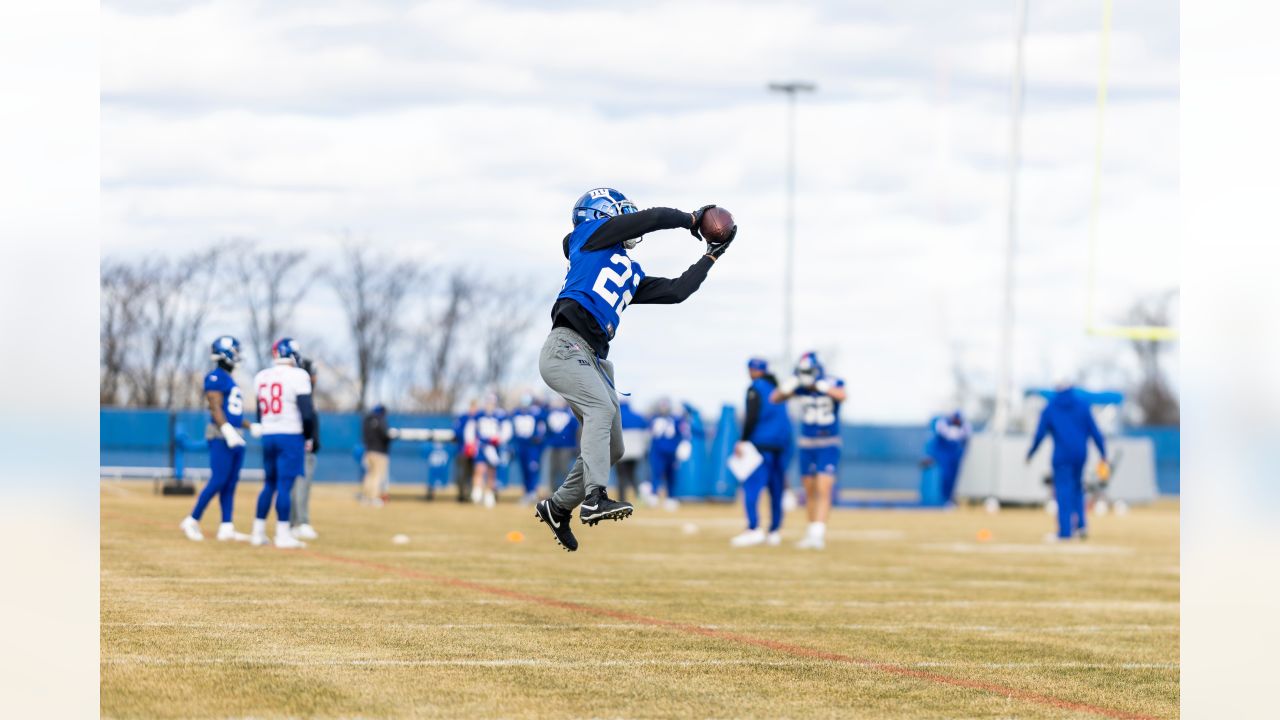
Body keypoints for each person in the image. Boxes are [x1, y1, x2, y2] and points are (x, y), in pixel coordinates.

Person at [534, 188, 734, 551]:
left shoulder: (626, 268)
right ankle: (595, 497)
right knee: (602, 408)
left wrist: (711, 256)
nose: (627, 220)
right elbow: (651, 219)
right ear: (598, 217)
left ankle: (559, 506)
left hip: (593, 358)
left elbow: (676, 291)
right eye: (619, 214)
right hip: (566, 346)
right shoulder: (588, 238)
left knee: (613, 448)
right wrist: (691, 218)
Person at [180, 336, 260, 542]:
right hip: (221, 436)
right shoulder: (215, 377)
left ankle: (226, 526)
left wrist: (251, 426)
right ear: (225, 353)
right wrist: (225, 428)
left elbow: (232, 413)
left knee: (230, 482)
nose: (237, 356)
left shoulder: (229, 378)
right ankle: (192, 519)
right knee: (219, 479)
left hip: (234, 434)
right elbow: (215, 407)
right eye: (235, 351)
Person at [772, 351, 847, 550]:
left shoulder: (832, 382)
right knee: (810, 490)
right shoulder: (800, 387)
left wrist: (824, 386)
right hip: (807, 444)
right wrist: (788, 386)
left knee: (824, 488)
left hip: (828, 442)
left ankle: (818, 534)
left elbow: (842, 395)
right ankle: (811, 531)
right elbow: (775, 398)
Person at [250, 337, 315, 549]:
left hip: (269, 434)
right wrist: (308, 436)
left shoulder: (262, 376)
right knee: (284, 486)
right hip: (290, 434)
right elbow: (307, 412)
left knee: (269, 484)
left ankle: (258, 532)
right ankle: (283, 534)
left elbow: (260, 410)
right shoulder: (299, 375)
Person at [1026, 383, 1108, 542]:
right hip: (1080, 455)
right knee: (1077, 489)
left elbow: (1040, 433)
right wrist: (1103, 453)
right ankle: (1081, 526)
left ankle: (1065, 532)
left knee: (1063, 491)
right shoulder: (1083, 406)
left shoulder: (1051, 407)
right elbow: (1095, 431)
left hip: (1062, 455)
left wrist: (1031, 452)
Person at [731, 358, 793, 547]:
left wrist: (742, 440)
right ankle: (774, 531)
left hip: (761, 445)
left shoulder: (755, 388)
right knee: (776, 489)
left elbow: (752, 416)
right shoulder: (777, 388)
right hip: (781, 444)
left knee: (751, 488)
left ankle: (753, 528)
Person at [290, 356, 320, 540]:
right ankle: (299, 522)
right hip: (302, 446)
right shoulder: (302, 393)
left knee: (301, 486)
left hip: (305, 446)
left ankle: (297, 522)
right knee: (299, 486)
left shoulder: (307, 393)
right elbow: (306, 419)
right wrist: (308, 439)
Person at [646, 398, 690, 510]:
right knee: (656, 474)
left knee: (671, 476)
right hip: (657, 452)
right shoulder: (654, 419)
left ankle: (671, 498)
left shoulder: (676, 419)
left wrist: (684, 443)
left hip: (672, 453)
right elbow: (650, 434)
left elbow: (684, 433)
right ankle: (654, 495)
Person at [467, 393, 510, 508]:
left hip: (493, 447)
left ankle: (489, 494)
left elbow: (506, 430)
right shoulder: (479, 415)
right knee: (479, 469)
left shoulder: (500, 415)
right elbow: (470, 428)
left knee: (492, 472)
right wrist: (470, 443)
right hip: (481, 445)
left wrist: (500, 439)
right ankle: (477, 491)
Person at [510, 394, 547, 505]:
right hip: (521, 445)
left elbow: (542, 426)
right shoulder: (516, 413)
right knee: (524, 470)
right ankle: (527, 493)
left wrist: (539, 438)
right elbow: (513, 429)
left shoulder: (536, 413)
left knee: (532, 469)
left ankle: (532, 492)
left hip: (532, 446)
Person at [543, 397, 579, 496]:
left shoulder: (570, 415)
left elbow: (576, 431)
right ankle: (553, 492)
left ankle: (568, 492)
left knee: (564, 469)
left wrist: (576, 446)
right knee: (553, 469)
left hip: (567, 446)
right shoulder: (550, 415)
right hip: (554, 445)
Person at [615, 398, 648, 504]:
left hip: (621, 452)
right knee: (633, 475)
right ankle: (639, 497)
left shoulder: (617, 417)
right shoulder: (638, 417)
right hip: (636, 452)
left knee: (621, 477)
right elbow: (646, 432)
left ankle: (621, 499)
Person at [361, 404, 392, 507]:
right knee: (377, 476)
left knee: (369, 475)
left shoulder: (367, 421)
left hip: (368, 451)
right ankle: (373, 498)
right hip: (380, 452)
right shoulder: (381, 420)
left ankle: (366, 498)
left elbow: (363, 436)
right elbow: (386, 434)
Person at [452, 400, 478, 503]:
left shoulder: (478, 419)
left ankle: (470, 494)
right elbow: (456, 430)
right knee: (462, 473)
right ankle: (461, 494)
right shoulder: (463, 418)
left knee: (472, 473)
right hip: (463, 450)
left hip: (476, 451)